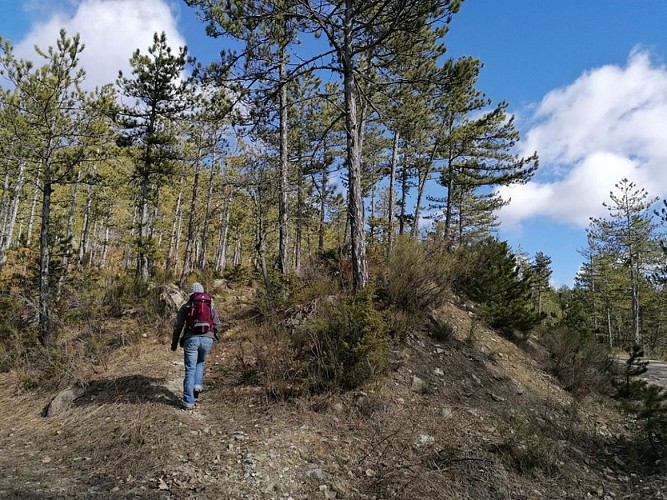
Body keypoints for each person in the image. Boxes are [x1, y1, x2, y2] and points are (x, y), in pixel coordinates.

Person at [171, 282, 221, 409]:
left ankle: (188, 401)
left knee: (190, 369)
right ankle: (197, 386)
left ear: (191, 294)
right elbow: (217, 323)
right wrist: (214, 336)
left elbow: (178, 326)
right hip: (207, 339)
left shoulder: (186, 306)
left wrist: (174, 343)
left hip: (191, 339)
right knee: (200, 362)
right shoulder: (210, 305)